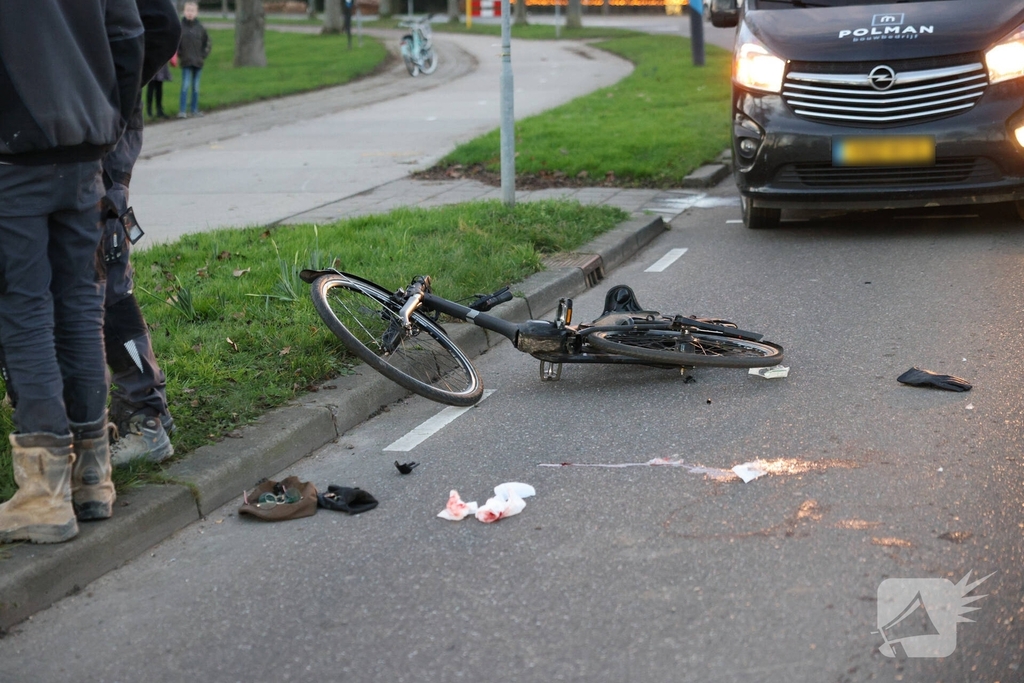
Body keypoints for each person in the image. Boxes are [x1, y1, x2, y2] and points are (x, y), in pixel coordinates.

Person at [0, 0, 179, 546]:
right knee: (80, 310)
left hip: (14, 155)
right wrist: (108, 119)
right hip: (84, 150)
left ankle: (44, 496)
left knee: (26, 315)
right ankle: (91, 479)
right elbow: (138, 28)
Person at [177, 1, 211, 119]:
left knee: (196, 87)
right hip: (186, 60)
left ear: (196, 12)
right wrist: (180, 54)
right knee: (185, 85)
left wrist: (203, 55)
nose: (190, 13)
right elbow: (177, 44)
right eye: (188, 10)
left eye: (192, 11)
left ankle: (194, 109)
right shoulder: (180, 27)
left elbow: (207, 43)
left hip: (198, 61)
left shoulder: (200, 28)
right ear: (184, 12)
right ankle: (182, 110)